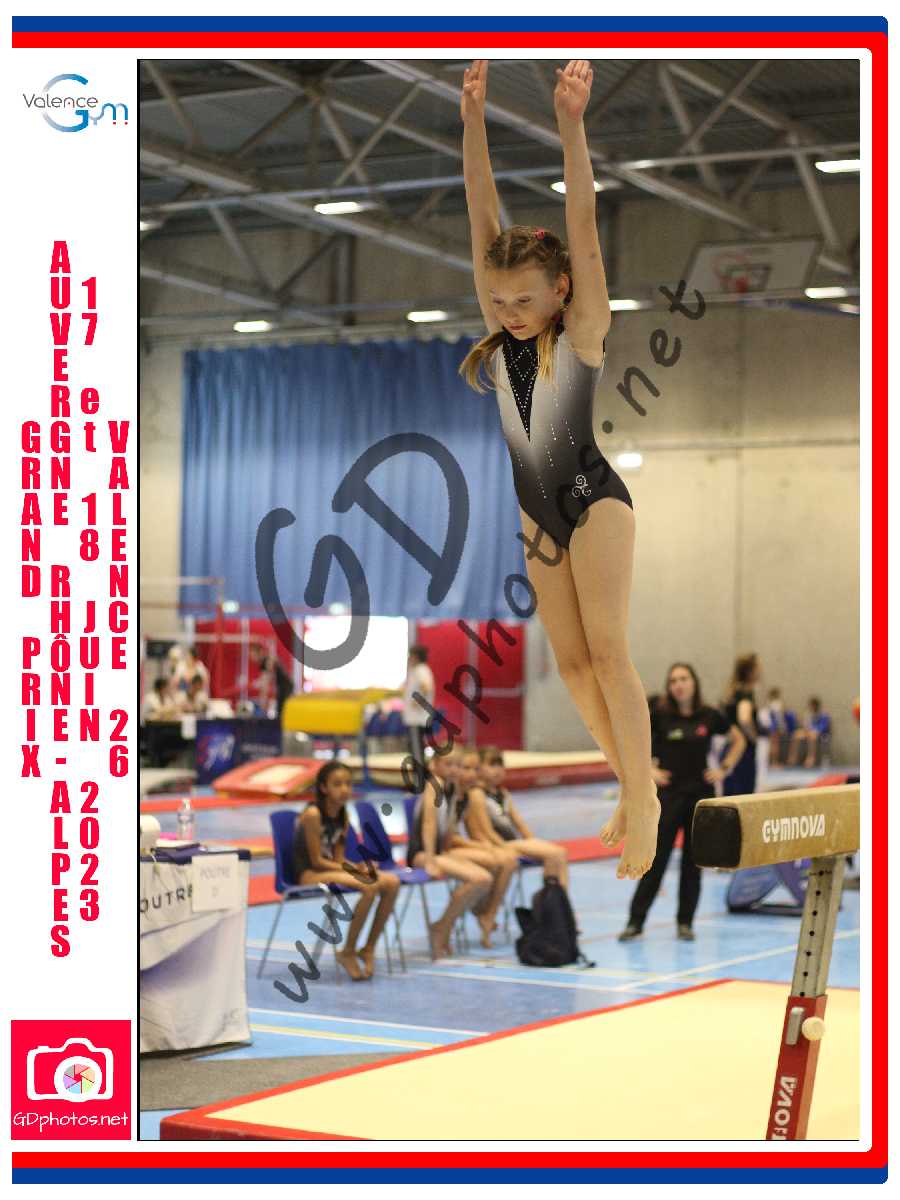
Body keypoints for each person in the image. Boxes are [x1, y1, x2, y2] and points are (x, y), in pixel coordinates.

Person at [459, 58, 659, 881]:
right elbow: (480, 210)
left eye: (524, 301)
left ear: (561, 289)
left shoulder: (582, 331)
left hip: (593, 499)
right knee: (572, 667)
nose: (508, 312)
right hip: (536, 512)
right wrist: (471, 123)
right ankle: (632, 787)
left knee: (608, 653)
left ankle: (645, 803)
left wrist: (572, 129)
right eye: (499, 300)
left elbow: (583, 222)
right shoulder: (503, 326)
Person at [619, 663, 747, 943]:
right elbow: (630, 740)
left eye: (684, 679)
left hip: (700, 798)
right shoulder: (659, 714)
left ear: (694, 682)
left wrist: (724, 768)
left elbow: (739, 740)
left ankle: (685, 923)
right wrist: (648, 770)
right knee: (655, 861)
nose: (678, 684)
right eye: (673, 680)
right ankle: (635, 922)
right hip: (668, 797)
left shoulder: (710, 715)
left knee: (693, 864)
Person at [292, 761, 400, 981]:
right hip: (308, 873)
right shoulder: (313, 814)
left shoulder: (343, 815)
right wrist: (355, 870)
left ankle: (368, 947)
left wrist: (359, 867)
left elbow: (338, 859)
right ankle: (348, 951)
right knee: (369, 887)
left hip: (327, 868)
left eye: (348, 784)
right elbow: (317, 861)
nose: (344, 789)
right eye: (337, 784)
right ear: (323, 788)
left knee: (392, 883)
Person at [407, 749, 493, 959]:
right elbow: (429, 824)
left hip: (440, 852)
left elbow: (449, 828)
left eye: (457, 765)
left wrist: (452, 853)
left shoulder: (452, 788)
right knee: (479, 879)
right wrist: (430, 860)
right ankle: (443, 927)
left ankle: (443, 925)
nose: (454, 769)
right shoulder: (432, 785)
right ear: (434, 765)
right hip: (421, 853)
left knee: (484, 877)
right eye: (448, 764)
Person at [464, 745, 569, 888]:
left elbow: (519, 823)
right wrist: (504, 848)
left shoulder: (504, 793)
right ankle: (555, 900)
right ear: (479, 769)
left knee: (559, 853)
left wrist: (532, 840)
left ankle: (559, 899)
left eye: (500, 765)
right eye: (492, 765)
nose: (498, 770)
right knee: (556, 854)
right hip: (499, 844)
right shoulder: (477, 794)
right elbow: (487, 831)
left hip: (513, 842)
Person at [721, 652, 763, 795]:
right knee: (743, 795)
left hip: (730, 746)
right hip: (743, 751)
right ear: (751, 671)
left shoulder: (732, 692)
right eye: (758, 667)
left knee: (730, 793)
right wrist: (753, 737)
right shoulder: (745, 693)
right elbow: (744, 719)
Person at [402, 644, 435, 780]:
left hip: (417, 719)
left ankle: (420, 781)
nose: (409, 659)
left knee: (417, 752)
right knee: (416, 751)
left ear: (415, 657)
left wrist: (417, 701)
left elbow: (426, 687)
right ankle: (420, 779)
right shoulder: (417, 670)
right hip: (415, 719)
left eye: (410, 656)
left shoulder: (421, 670)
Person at [250, 643, 293, 721]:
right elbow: (265, 681)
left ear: (259, 653)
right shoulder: (264, 662)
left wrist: (263, 702)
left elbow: (265, 683)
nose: (252, 658)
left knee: (281, 710)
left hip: (285, 686)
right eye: (251, 656)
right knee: (279, 709)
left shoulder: (267, 661)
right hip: (282, 685)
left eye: (253, 655)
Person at [786, 697, 832, 768]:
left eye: (812, 705)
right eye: (810, 705)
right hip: (809, 732)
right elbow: (806, 725)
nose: (810, 707)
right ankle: (792, 758)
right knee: (796, 735)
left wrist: (814, 730)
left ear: (816, 705)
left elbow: (823, 727)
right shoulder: (808, 714)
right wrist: (805, 729)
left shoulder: (823, 715)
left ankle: (810, 759)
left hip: (820, 734)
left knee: (812, 736)